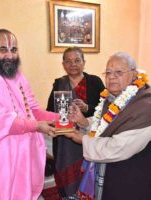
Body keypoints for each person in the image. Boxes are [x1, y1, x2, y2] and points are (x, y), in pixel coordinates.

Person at [0, 29, 59, 200]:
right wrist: (37, 126)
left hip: (21, 156)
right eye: (3, 49)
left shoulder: (18, 77)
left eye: (13, 50)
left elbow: (33, 111)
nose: (9, 55)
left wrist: (61, 119)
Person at [66, 52, 151, 200]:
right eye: (108, 72)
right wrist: (83, 122)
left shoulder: (145, 106)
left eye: (118, 72)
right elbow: (105, 125)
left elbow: (118, 147)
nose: (111, 76)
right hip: (115, 177)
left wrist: (83, 139)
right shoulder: (113, 98)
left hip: (138, 181)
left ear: (134, 75)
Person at [46, 47, 105, 199]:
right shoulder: (59, 84)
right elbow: (50, 110)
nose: (73, 64)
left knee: (87, 176)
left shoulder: (95, 81)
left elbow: (105, 110)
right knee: (66, 175)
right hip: (64, 139)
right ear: (63, 64)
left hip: (87, 137)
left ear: (84, 62)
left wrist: (87, 107)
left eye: (77, 60)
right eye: (68, 61)